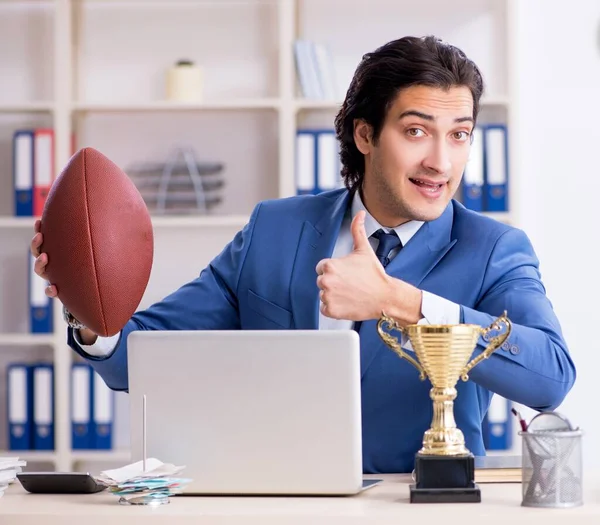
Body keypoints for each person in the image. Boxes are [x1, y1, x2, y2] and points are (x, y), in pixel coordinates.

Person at [30, 35, 575, 474]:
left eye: (460, 135)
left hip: (417, 505)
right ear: (365, 135)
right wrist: (89, 306)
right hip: (280, 499)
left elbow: (550, 377)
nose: (441, 161)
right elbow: (146, 355)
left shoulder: (494, 249)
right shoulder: (275, 229)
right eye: (416, 131)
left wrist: (397, 300)